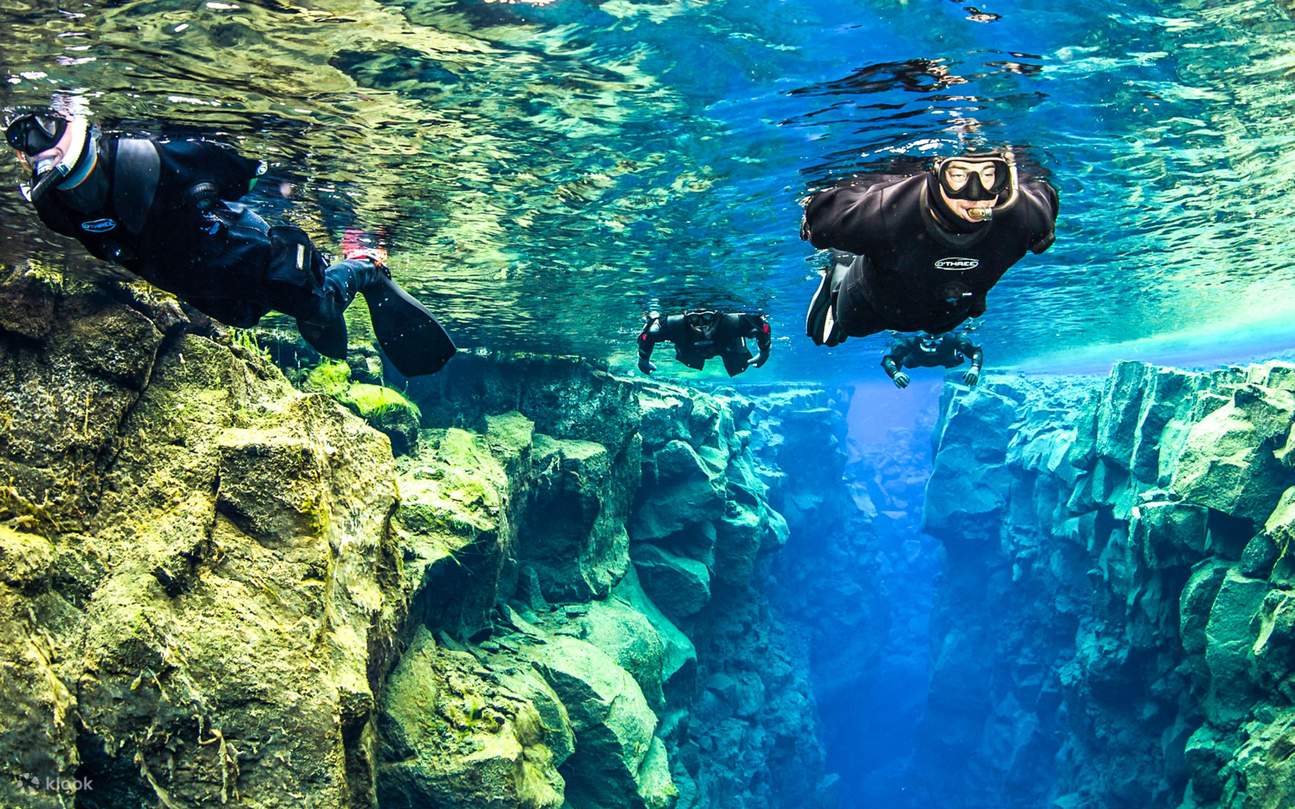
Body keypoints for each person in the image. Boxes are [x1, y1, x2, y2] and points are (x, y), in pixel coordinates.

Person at [5, 108, 455, 376]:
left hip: (256, 254)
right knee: (249, 318)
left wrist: (276, 176)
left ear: (77, 122)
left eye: (47, 125)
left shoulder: (154, 155)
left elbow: (247, 170)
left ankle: (365, 266)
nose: (33, 146)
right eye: (19, 137)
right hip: (208, 285)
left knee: (320, 304)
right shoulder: (54, 209)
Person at [801, 149, 1058, 346]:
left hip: (950, 312)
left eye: (990, 175)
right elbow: (823, 221)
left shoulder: (1027, 215)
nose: (975, 193)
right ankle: (840, 269)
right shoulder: (886, 210)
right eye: (957, 176)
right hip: (872, 304)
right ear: (935, 175)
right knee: (851, 326)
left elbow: (1044, 205)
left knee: (941, 326)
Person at [637, 310, 772, 377]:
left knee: (739, 364)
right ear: (686, 317)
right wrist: (643, 359)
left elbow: (762, 326)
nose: (701, 325)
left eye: (707, 317)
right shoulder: (674, 323)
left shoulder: (732, 321)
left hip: (727, 342)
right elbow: (648, 334)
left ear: (717, 316)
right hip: (689, 346)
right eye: (694, 319)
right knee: (687, 354)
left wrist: (764, 352)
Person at [881, 331, 982, 389]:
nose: (932, 344)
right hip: (915, 360)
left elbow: (975, 350)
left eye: (937, 340)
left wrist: (975, 367)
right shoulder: (908, 341)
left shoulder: (954, 338)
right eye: (928, 341)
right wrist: (894, 373)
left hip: (947, 358)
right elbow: (889, 358)